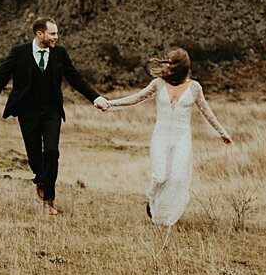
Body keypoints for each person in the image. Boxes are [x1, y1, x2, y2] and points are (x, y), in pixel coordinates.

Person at [95, 48, 232, 228]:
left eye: (173, 63)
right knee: (159, 177)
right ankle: (151, 200)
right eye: (168, 62)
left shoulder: (195, 87)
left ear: (182, 67)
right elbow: (136, 98)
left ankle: (165, 216)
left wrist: (222, 132)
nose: (168, 66)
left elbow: (207, 112)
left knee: (176, 178)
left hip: (182, 137)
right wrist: (110, 103)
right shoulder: (158, 83)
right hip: (161, 135)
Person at [0, 18, 105, 216]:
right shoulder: (19, 53)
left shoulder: (60, 53)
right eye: (52, 33)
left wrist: (96, 98)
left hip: (52, 111)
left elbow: (75, 78)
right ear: (39, 34)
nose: (56, 37)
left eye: (56, 33)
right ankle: (40, 179)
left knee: (51, 152)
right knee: (34, 157)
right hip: (27, 112)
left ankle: (49, 200)